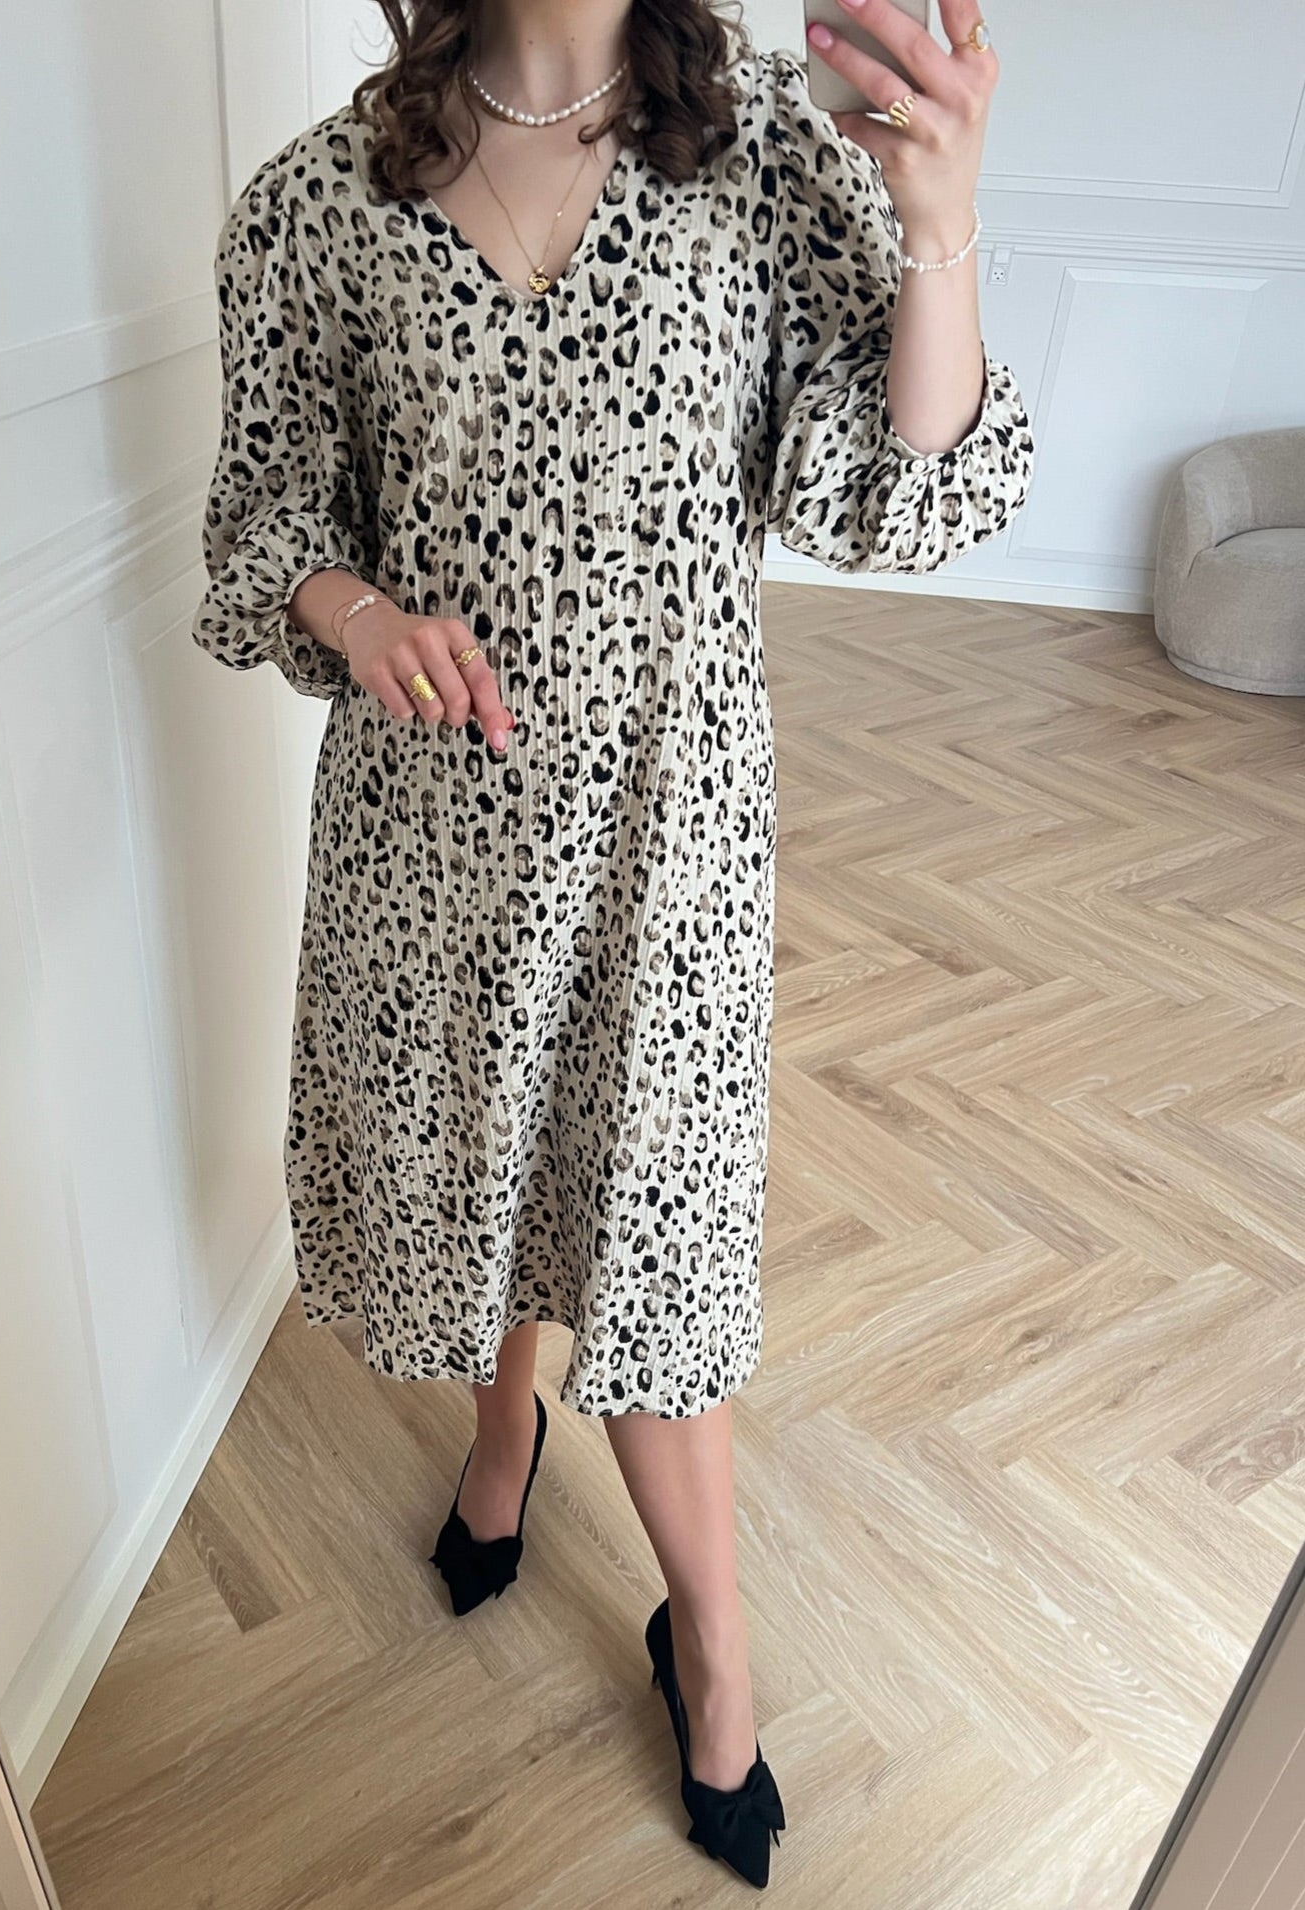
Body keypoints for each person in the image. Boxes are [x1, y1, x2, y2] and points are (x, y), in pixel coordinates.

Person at [192, 0, 1032, 1887]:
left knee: (659, 1264)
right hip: (436, 844)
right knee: (499, 1183)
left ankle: (709, 1640)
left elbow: (902, 492)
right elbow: (263, 526)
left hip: (670, 844)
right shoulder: (321, 199)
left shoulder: (761, 153)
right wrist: (359, 610)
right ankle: (503, 1431)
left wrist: (942, 220)